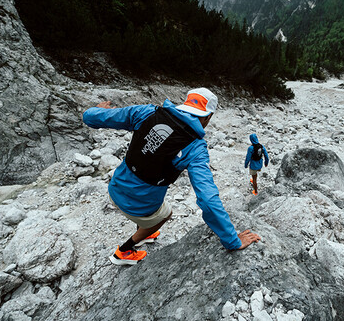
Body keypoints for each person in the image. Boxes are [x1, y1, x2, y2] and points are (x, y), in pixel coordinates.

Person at [83, 88, 261, 266]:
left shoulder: (147, 112)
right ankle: (124, 251)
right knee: (166, 213)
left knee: (149, 194)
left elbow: (90, 117)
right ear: (208, 117)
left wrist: (100, 109)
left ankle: (145, 231)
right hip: (138, 207)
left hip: (114, 188)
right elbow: (207, 200)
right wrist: (233, 240)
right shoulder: (196, 148)